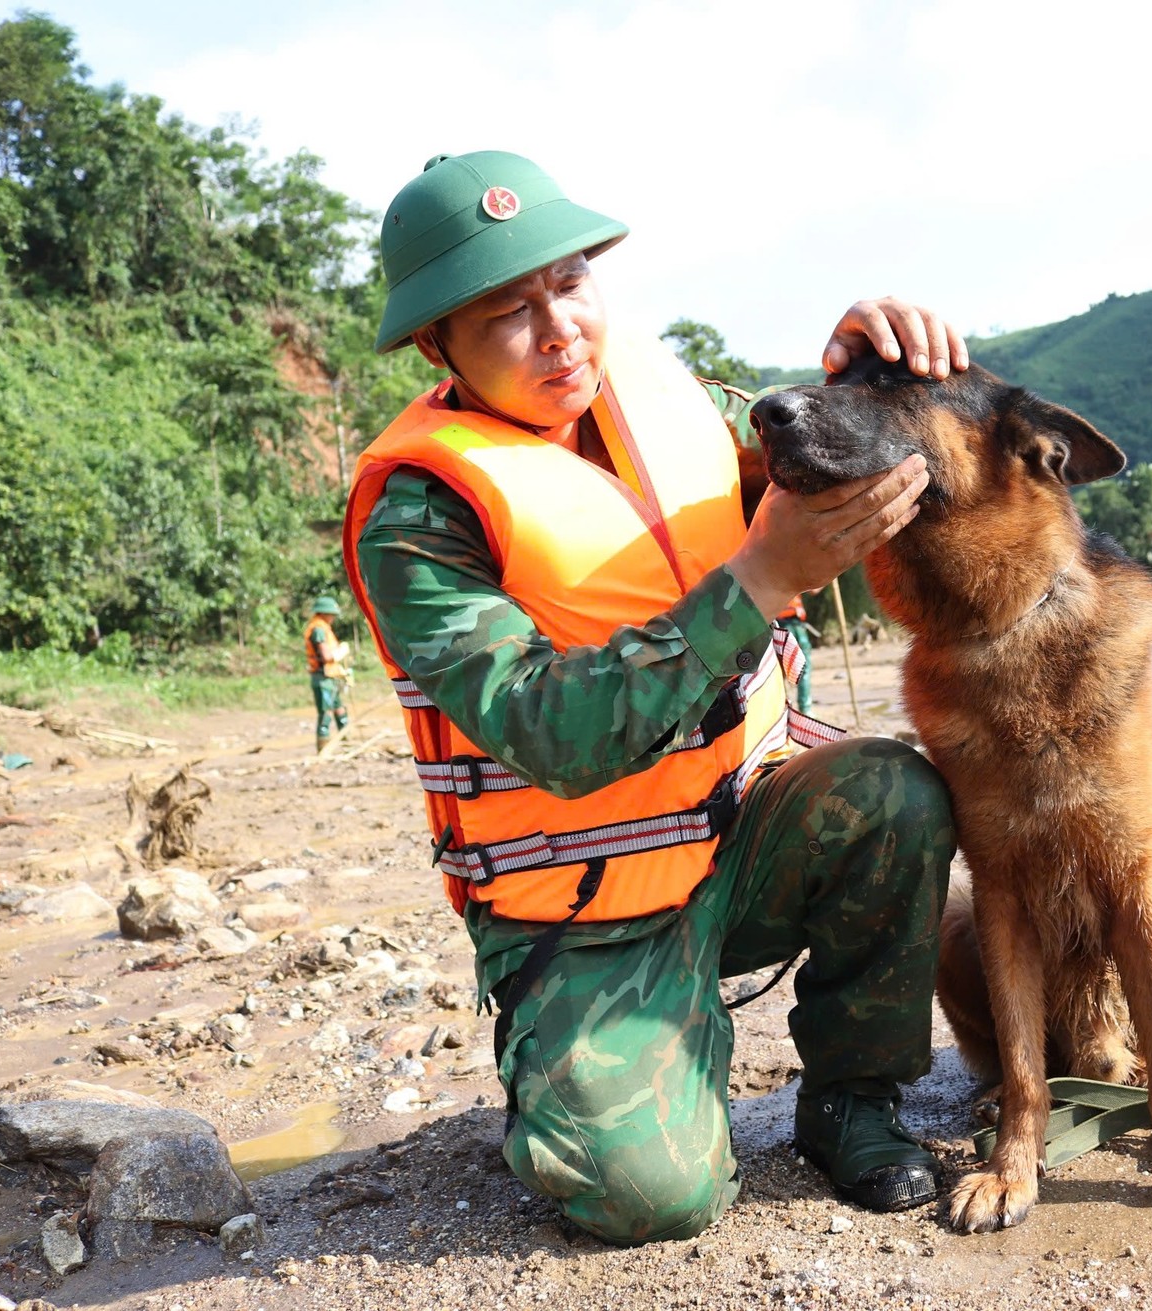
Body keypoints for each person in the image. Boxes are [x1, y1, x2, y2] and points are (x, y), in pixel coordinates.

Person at [341, 151, 965, 1246]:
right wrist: (761, 583)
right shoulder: (419, 512)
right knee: (651, 1201)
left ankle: (850, 1102)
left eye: (570, 285)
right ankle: (591, 1053)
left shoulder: (655, 394)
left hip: (742, 831)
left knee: (892, 790)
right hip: (585, 912)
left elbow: (782, 488)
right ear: (437, 343)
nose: (559, 331)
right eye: (506, 314)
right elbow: (547, 733)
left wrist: (854, 385)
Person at [303, 596, 351, 750]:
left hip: (330, 677)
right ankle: (322, 749)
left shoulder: (323, 627)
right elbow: (326, 656)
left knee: (339, 709)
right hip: (322, 678)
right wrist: (340, 652)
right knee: (325, 714)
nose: (334, 618)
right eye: (332, 614)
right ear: (324, 613)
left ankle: (347, 743)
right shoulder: (318, 629)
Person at [776, 594, 815, 714]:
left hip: (775, 622)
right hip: (792, 623)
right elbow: (813, 590)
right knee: (803, 667)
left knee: (777, 668)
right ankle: (805, 709)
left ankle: (781, 709)